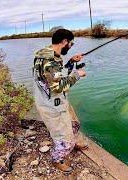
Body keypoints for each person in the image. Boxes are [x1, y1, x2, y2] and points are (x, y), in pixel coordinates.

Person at [32, 29, 88, 172]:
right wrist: (77, 74)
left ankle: (72, 143)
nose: (71, 46)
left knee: (74, 124)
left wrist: (70, 62)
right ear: (64, 42)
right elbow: (58, 87)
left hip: (58, 101)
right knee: (65, 139)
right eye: (71, 43)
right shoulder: (49, 62)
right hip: (52, 106)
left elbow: (57, 75)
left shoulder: (50, 55)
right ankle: (57, 160)